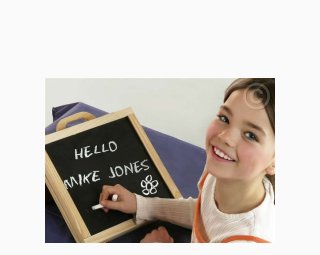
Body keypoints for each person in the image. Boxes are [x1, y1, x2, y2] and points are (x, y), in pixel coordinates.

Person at [99, 78, 275, 243]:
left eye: (251, 135)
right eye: (224, 118)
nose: (226, 137)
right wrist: (143, 205)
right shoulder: (218, 173)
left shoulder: (247, 240)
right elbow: (203, 213)